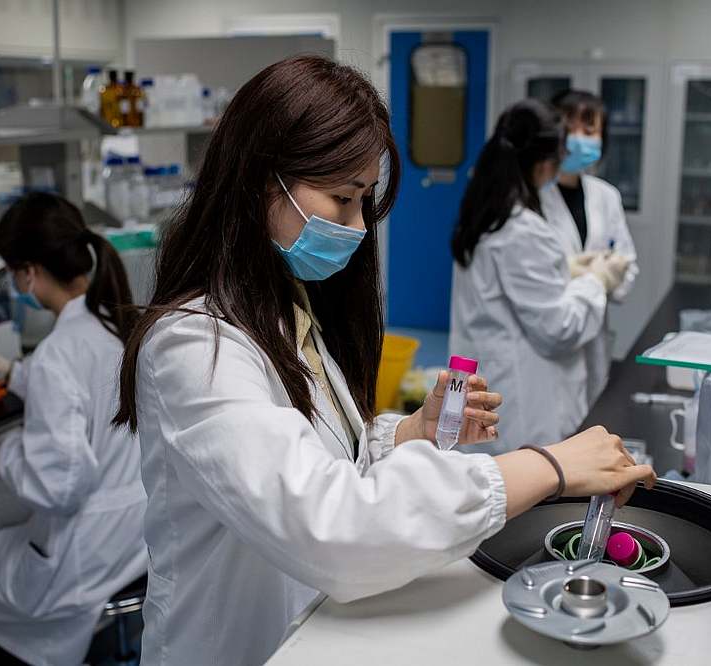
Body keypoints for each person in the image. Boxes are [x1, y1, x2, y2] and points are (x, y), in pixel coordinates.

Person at [111, 55, 655, 666]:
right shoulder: (194, 348)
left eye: (364, 200)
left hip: (314, 632)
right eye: (343, 198)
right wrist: (544, 466)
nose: (358, 226)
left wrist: (404, 433)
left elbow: (313, 449)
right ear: (262, 181)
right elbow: (329, 524)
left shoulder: (287, 309)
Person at [0, 193, 148, 666]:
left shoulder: (57, 353)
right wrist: (10, 371)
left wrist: (10, 450)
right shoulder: (117, 324)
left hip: (90, 555)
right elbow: (88, 391)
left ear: (28, 273)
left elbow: (58, 486)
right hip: (141, 537)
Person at [449, 100, 629, 454]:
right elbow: (559, 329)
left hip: (490, 375)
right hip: (524, 402)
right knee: (530, 495)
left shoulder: (487, 212)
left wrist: (568, 270)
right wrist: (596, 280)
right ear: (545, 164)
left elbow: (510, 284)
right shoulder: (523, 230)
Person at [544, 89, 639, 405]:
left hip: (594, 334)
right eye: (569, 128)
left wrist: (607, 277)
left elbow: (628, 264)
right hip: (549, 337)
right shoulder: (533, 197)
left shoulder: (606, 196)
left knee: (591, 417)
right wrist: (590, 274)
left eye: (589, 130)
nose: (578, 138)